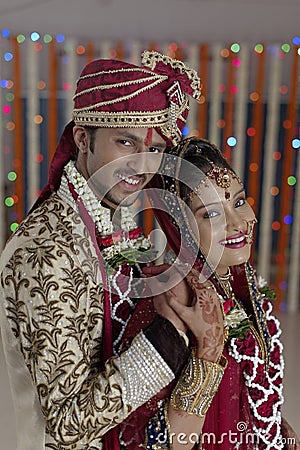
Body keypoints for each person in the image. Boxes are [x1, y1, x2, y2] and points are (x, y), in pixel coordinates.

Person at [0, 51, 202, 450]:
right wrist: (170, 336)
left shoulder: (108, 219)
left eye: (154, 150)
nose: (141, 165)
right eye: (125, 142)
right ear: (82, 139)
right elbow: (67, 424)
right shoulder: (48, 254)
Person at [138, 137, 300, 449]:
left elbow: (245, 387)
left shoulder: (239, 285)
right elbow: (159, 442)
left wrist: (272, 426)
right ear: (180, 226)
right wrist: (207, 351)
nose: (238, 223)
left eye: (238, 202)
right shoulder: (178, 300)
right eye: (211, 214)